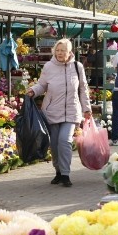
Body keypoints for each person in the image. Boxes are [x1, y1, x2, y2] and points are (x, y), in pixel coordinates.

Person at [27, 38, 92, 187]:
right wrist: (33, 91)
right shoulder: (49, 67)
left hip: (71, 110)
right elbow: (42, 85)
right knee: (55, 144)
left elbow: (83, 88)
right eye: (57, 50)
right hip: (51, 111)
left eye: (63, 50)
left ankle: (65, 174)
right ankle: (58, 171)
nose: (60, 53)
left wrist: (86, 108)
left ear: (70, 52)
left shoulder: (77, 66)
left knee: (65, 140)